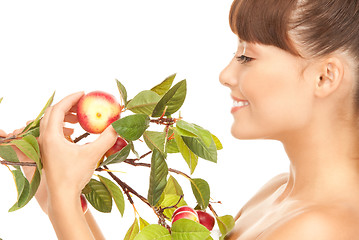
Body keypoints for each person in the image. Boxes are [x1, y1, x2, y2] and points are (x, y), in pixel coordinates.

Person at [7, 0, 359, 239]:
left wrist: (67, 195)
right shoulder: (277, 191)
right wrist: (55, 196)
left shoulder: (322, 227)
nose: (225, 74)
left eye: (247, 56)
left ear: (324, 78)